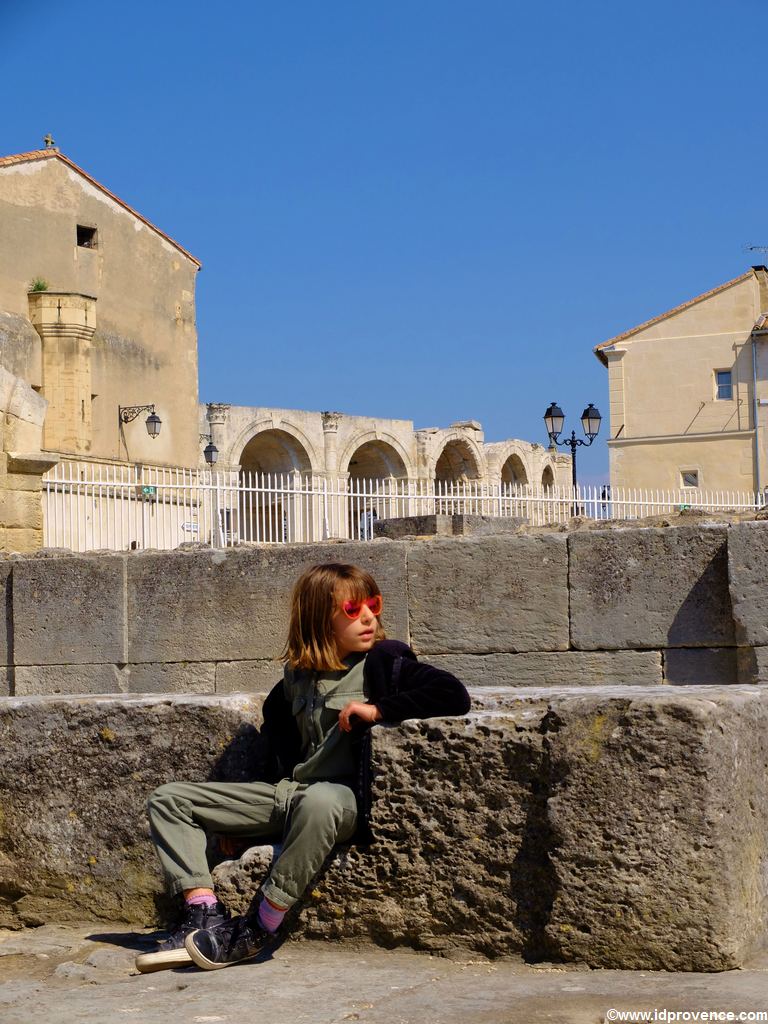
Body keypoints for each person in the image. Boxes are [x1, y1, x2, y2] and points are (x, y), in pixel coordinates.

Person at [135, 562, 470, 973]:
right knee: (168, 800)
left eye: (373, 605)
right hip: (290, 795)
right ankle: (203, 910)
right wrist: (245, 827)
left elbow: (453, 694)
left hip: (337, 801)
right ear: (318, 619)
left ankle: (259, 925)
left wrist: (379, 707)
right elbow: (279, 745)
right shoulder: (297, 676)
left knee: (320, 802)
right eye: (352, 610)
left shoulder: (385, 661)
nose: (368, 617)